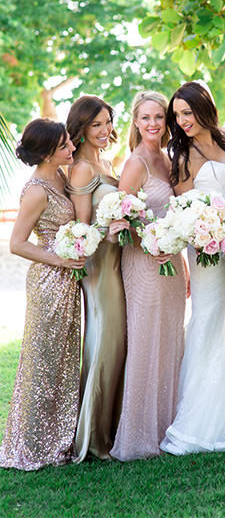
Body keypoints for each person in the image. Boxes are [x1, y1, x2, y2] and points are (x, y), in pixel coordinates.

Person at [160, 81, 225, 454]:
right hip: (207, 253)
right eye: (177, 115)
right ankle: (202, 418)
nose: (182, 121)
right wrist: (207, 237)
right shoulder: (181, 155)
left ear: (204, 109)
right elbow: (184, 211)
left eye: (188, 112)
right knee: (209, 321)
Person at [0, 120, 85, 470]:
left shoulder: (62, 177)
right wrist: (59, 258)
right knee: (43, 361)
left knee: (64, 359)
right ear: (48, 152)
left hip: (67, 278)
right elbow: (17, 243)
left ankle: (59, 440)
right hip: (48, 280)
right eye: (65, 145)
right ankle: (33, 447)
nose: (71, 149)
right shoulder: (36, 190)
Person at [109, 91, 188, 461]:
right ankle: (138, 437)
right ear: (136, 123)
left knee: (170, 338)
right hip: (143, 261)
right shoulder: (136, 162)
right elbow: (120, 217)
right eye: (146, 118)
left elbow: (175, 216)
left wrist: (181, 263)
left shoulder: (168, 159)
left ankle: (167, 425)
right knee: (146, 339)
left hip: (171, 261)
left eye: (159, 117)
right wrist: (150, 241)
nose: (154, 124)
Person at [65, 95, 127, 461]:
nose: (104, 131)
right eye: (96, 125)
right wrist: (110, 231)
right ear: (82, 128)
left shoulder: (105, 162)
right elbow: (81, 228)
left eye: (107, 123)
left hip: (117, 261)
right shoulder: (82, 170)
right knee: (107, 341)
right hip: (99, 266)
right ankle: (91, 437)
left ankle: (109, 426)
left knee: (116, 344)